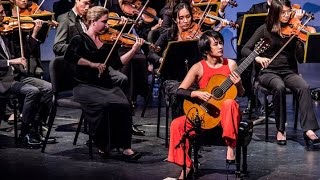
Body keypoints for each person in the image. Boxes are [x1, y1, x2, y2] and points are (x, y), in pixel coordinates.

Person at [53, 0, 145, 135]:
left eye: (90, 4)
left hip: (100, 66)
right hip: (80, 71)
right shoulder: (66, 20)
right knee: (112, 84)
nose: (87, 7)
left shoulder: (95, 21)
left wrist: (123, 27)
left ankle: (123, 121)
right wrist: (83, 50)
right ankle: (105, 127)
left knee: (122, 78)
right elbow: (59, 47)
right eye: (85, 3)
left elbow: (112, 50)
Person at [167, 30, 244, 179]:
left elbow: (240, 93)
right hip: (204, 115)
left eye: (221, 43)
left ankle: (231, 146)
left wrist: (239, 84)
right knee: (177, 124)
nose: (221, 46)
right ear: (207, 49)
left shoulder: (231, 64)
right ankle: (187, 166)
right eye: (216, 44)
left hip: (225, 117)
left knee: (229, 103)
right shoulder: (198, 67)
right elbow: (180, 91)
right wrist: (195, 93)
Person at [241, 0, 319, 146]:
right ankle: (281, 129)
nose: (287, 15)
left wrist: (300, 43)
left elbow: (300, 59)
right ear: (275, 13)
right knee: (279, 86)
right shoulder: (264, 29)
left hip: (288, 71)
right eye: (283, 12)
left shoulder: (294, 29)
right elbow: (245, 49)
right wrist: (257, 58)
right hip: (268, 72)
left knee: (304, 87)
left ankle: (309, 129)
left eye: (288, 12)